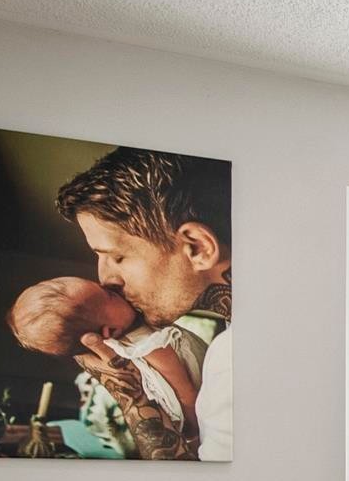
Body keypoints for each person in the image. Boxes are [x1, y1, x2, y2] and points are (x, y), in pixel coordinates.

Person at [53, 148, 233, 460]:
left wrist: (128, 395)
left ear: (198, 247)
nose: (105, 278)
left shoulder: (234, 358)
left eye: (117, 256)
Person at [6, 276, 204, 439]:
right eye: (109, 295)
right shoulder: (142, 343)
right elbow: (177, 378)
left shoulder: (128, 331)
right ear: (110, 330)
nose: (111, 286)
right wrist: (191, 412)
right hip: (194, 391)